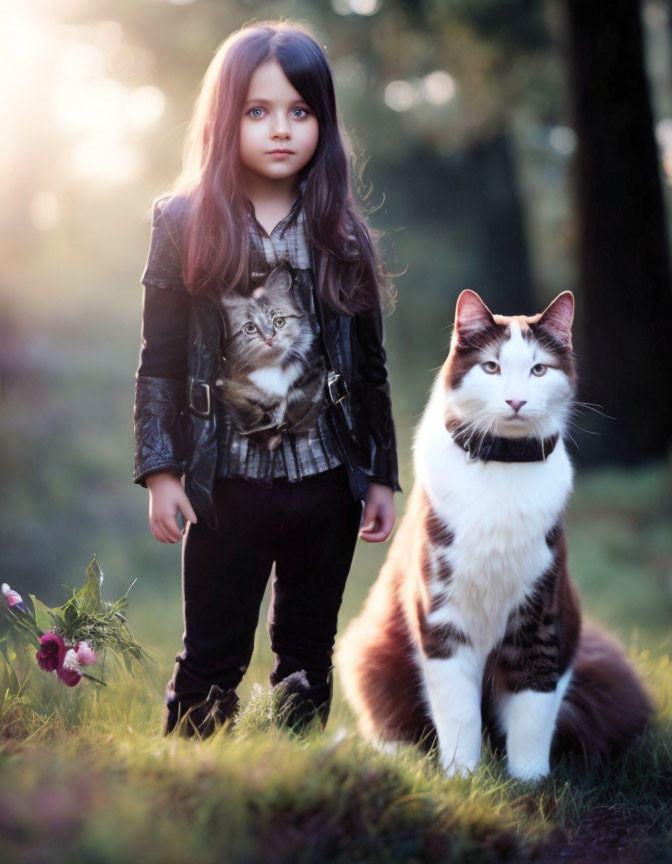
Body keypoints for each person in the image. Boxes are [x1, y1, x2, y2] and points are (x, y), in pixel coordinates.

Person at [133, 21, 400, 738]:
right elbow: (158, 360)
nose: (280, 129)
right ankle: (189, 785)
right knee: (211, 658)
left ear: (323, 121)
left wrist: (380, 475)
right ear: (226, 119)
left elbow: (370, 369)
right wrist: (160, 468)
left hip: (328, 480)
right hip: (226, 481)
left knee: (307, 654)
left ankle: (294, 778)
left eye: (299, 111)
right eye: (258, 111)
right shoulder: (184, 222)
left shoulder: (341, 231)